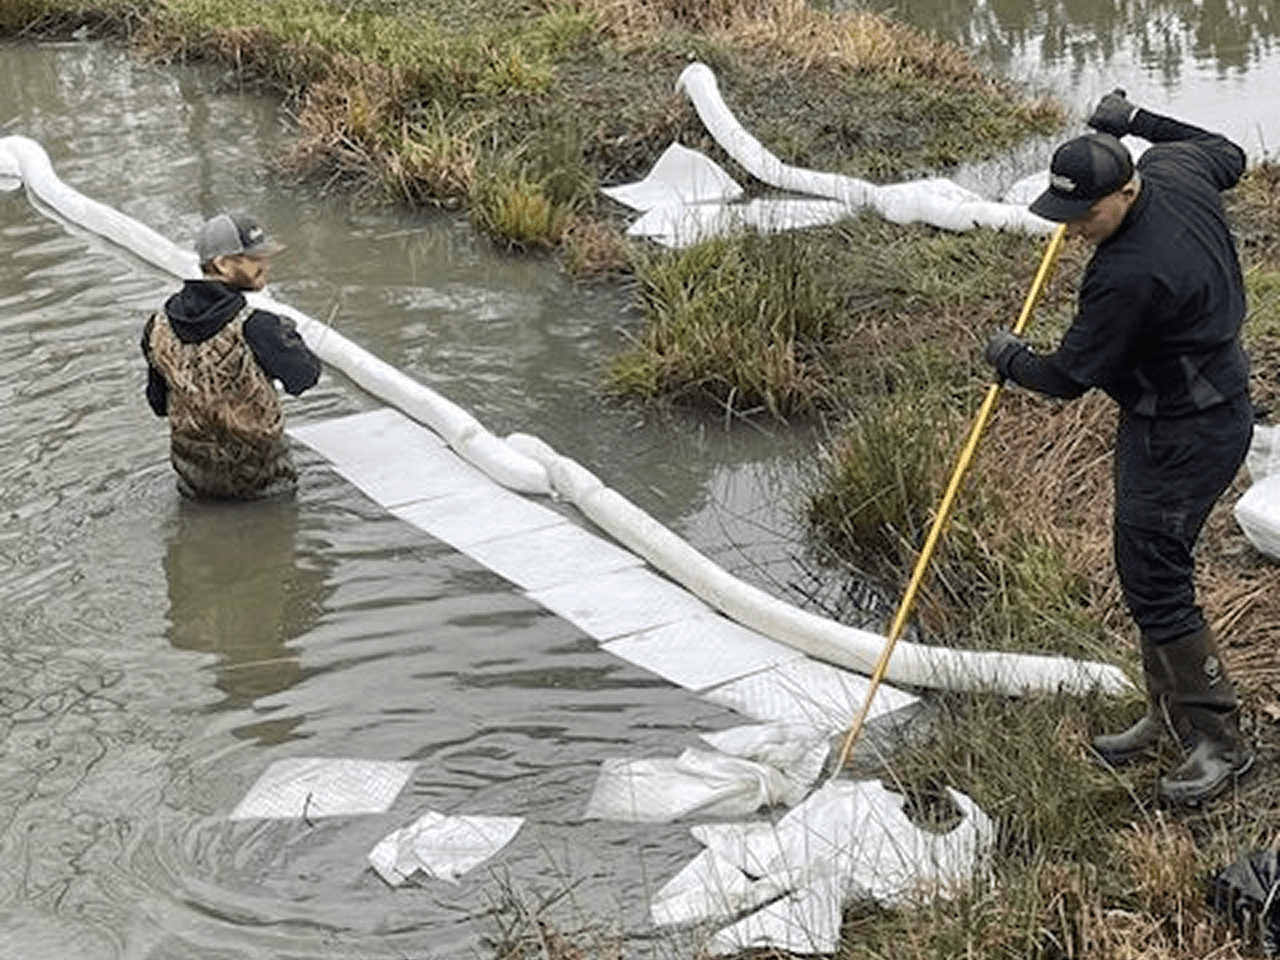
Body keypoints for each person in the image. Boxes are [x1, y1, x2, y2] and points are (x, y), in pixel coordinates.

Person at [984, 92, 1255, 805]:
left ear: (1126, 189)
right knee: (1141, 565)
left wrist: (1009, 357)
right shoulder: (1175, 166)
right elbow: (1231, 150)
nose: (1072, 231)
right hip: (1176, 405)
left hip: (1190, 428)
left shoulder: (1127, 275)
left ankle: (1219, 741)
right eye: (1064, 215)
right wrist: (1134, 121)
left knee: (1158, 578)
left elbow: (1067, 379)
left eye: (1085, 216)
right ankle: (1167, 716)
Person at [141, 211, 321, 500]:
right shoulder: (258, 325)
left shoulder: (156, 327)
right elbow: (305, 378)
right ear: (224, 264)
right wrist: (288, 338)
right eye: (256, 259)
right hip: (267, 494)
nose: (267, 264)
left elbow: (159, 404)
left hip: (194, 490)